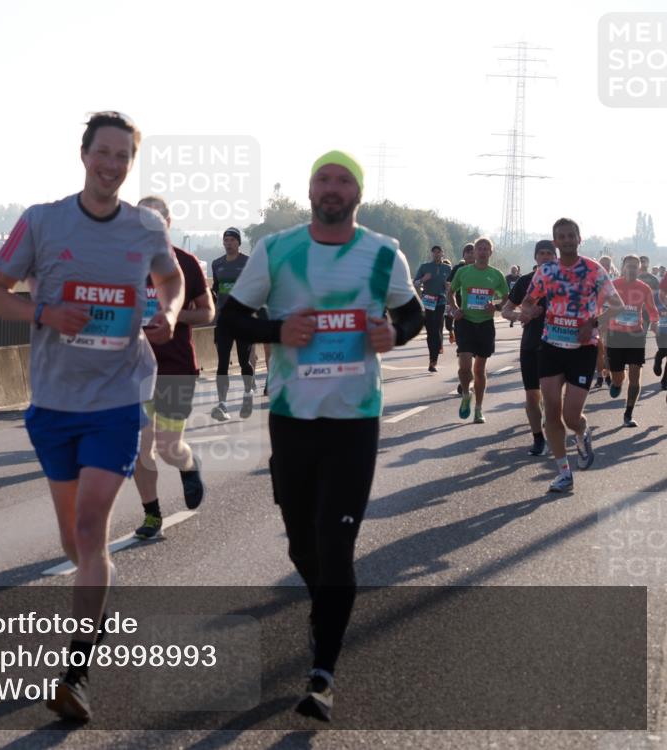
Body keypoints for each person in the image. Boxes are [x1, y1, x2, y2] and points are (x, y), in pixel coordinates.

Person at [0, 111, 183, 721]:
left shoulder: (146, 227)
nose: (112, 165)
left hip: (117, 400)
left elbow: (171, 279)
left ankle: (76, 672)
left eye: (124, 156)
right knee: (74, 541)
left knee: (93, 527)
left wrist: (169, 313)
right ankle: (95, 602)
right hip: (54, 403)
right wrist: (44, 314)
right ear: (84, 154)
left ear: (131, 163)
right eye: (104, 153)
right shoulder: (41, 221)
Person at [218, 149, 423, 722]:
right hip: (292, 417)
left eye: (343, 180)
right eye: (323, 179)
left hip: (355, 419)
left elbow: (412, 315)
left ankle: (323, 674)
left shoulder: (383, 253)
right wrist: (278, 330)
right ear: (310, 191)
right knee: (302, 546)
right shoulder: (276, 250)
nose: (332, 188)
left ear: (358, 192)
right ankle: (322, 611)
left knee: (337, 547)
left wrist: (395, 335)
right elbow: (231, 318)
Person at [132, 196, 214, 540]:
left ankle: (188, 463)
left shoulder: (186, 263)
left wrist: (172, 315)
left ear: (168, 222)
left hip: (175, 366)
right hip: (133, 368)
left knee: (168, 447)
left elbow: (208, 312)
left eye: (156, 218)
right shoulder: (122, 263)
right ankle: (152, 515)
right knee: (139, 448)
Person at [522, 218, 623, 492]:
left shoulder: (593, 269)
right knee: (551, 412)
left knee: (571, 416)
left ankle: (581, 433)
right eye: (561, 236)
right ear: (555, 242)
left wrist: (593, 323)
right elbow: (528, 301)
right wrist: (529, 310)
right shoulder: (546, 271)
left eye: (571, 235)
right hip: (551, 346)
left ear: (579, 239)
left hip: (583, 349)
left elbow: (617, 305)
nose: (567, 240)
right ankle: (564, 472)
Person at [502, 239, 557, 455]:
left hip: (557, 346)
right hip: (531, 344)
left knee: (552, 398)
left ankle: (553, 432)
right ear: (535, 257)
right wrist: (521, 315)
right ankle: (538, 439)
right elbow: (506, 310)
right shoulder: (525, 281)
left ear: (555, 257)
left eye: (549, 253)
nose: (545, 257)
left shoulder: (563, 280)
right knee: (532, 396)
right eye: (541, 253)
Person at [446, 237, 509, 423]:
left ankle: (479, 409)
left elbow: (506, 297)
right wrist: (455, 309)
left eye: (485, 249)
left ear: (491, 252)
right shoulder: (463, 272)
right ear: (474, 252)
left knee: (479, 370)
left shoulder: (496, 275)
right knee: (465, 367)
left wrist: (496, 307)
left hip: (485, 324)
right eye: (479, 248)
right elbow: (450, 292)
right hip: (465, 321)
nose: (482, 251)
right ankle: (466, 394)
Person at [605, 255, 660, 426]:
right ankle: (616, 383)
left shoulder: (644, 288)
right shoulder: (613, 285)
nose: (632, 269)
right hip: (615, 335)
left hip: (635, 335)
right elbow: (602, 305)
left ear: (639, 269)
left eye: (635, 266)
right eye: (629, 266)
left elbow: (652, 309)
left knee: (635, 374)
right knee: (618, 378)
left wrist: (655, 322)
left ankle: (628, 414)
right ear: (623, 267)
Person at [210, 228, 256, 420]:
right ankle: (222, 404)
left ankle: (248, 393)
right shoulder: (217, 264)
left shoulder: (248, 263)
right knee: (222, 363)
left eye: (231, 240)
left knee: (244, 361)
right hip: (224, 321)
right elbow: (216, 288)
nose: (228, 243)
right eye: (226, 240)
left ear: (238, 242)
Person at [412, 245, 451, 371]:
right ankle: (432, 360)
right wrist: (423, 279)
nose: (436, 254)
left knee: (438, 328)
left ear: (442, 254)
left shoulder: (447, 268)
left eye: (438, 252)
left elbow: (452, 286)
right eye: (434, 252)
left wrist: (448, 286)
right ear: (431, 254)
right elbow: (415, 283)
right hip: (428, 301)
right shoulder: (425, 267)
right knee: (430, 330)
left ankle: (436, 352)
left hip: (441, 301)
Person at [445, 243, 475, 375]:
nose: (470, 254)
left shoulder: (483, 269)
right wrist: (453, 306)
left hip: (478, 313)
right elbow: (448, 285)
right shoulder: (458, 269)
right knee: (463, 348)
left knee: (476, 349)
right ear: (463, 255)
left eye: (472, 252)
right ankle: (465, 377)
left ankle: (475, 372)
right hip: (461, 312)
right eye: (467, 252)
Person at [655, 273, 667, 390]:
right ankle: (658, 359)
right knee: (663, 350)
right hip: (664, 325)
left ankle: (665, 381)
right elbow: (661, 293)